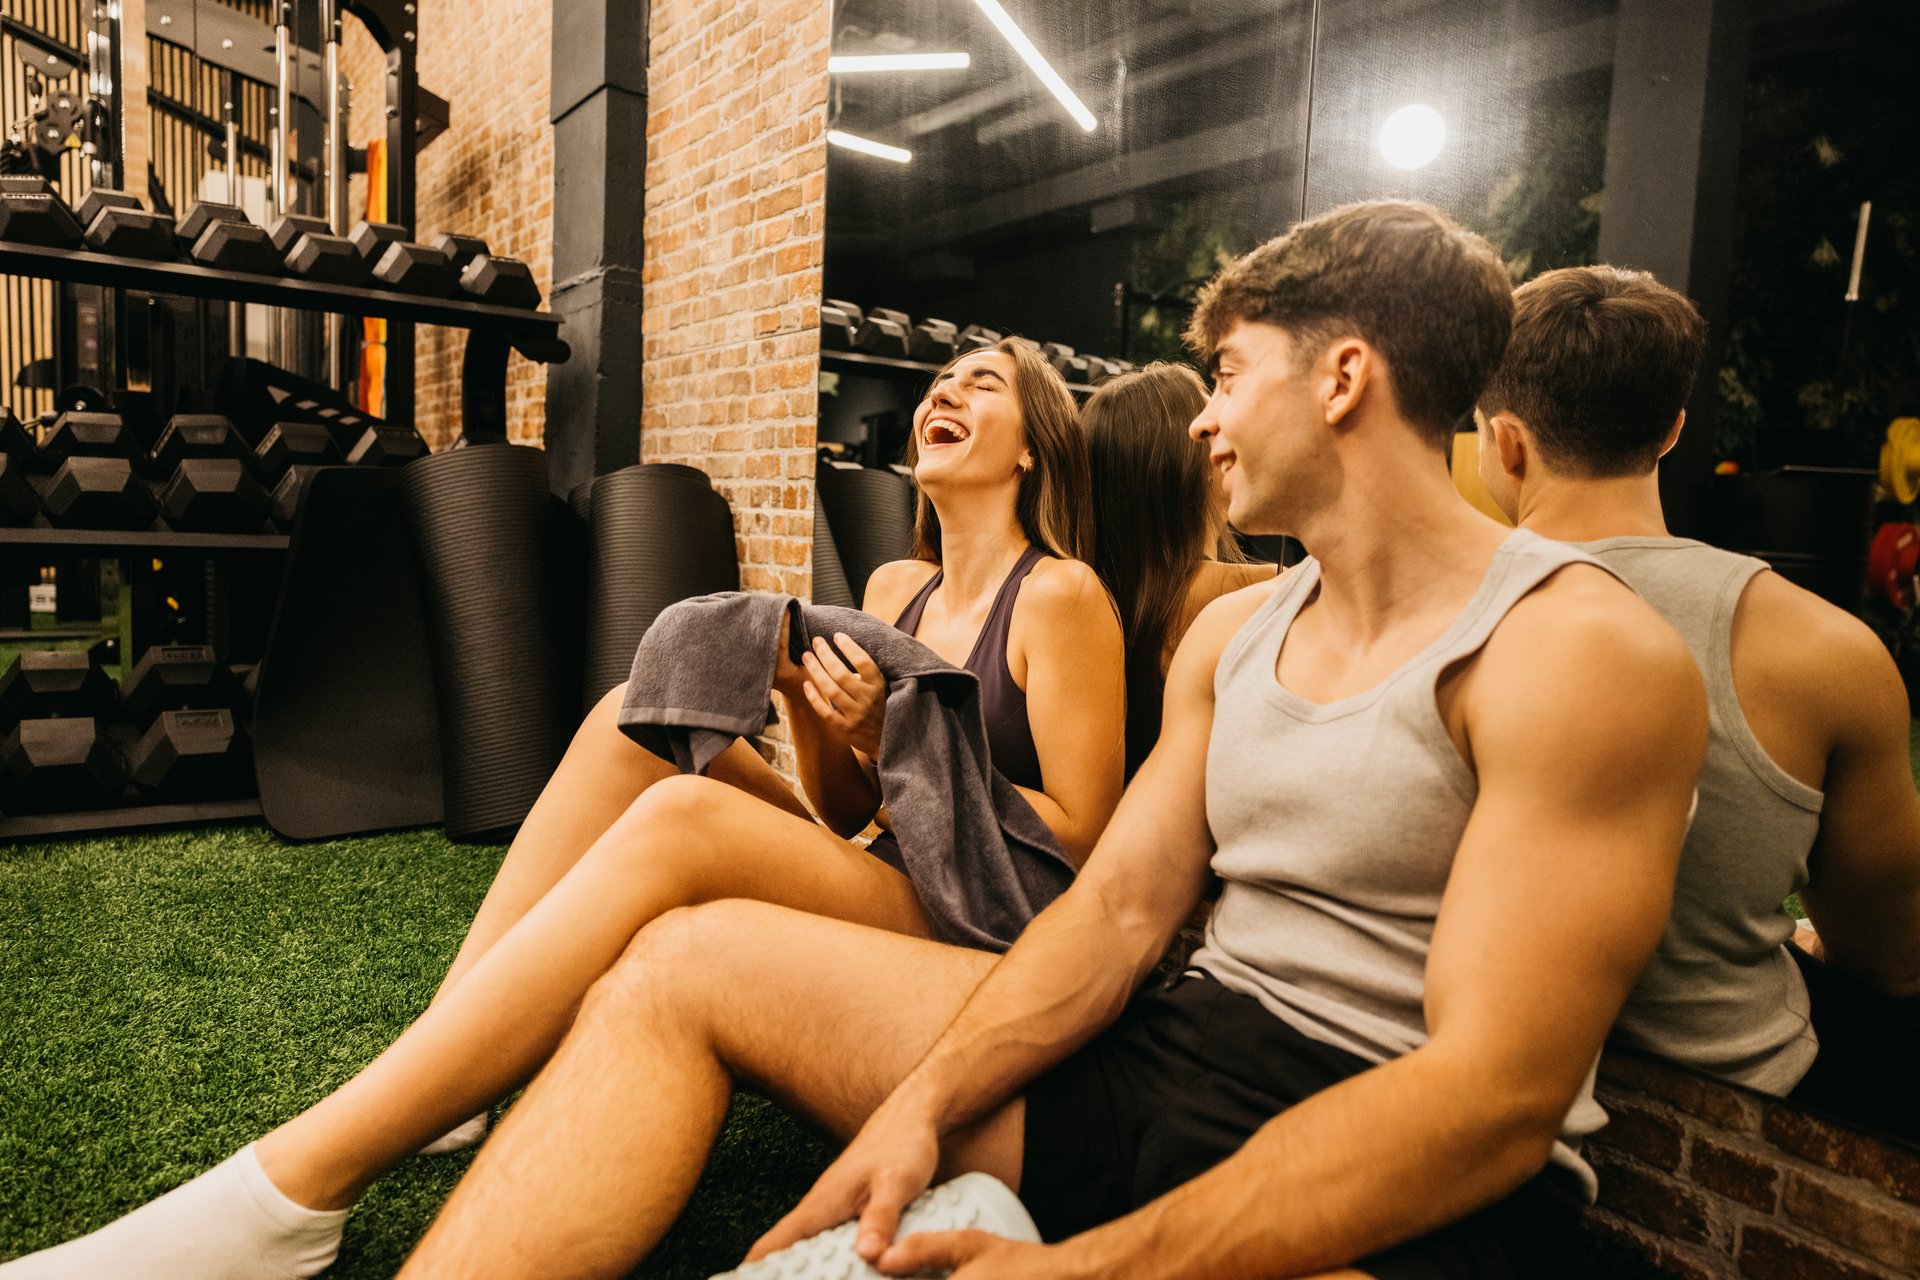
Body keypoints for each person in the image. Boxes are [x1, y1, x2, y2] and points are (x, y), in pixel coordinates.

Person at [376, 199, 1707, 1280]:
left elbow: (1491, 1100)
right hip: (1179, 1056)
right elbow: (1121, 910)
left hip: (1419, 1184)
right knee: (683, 962)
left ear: (1345, 376)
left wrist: (1094, 1268)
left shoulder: (1578, 651)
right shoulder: (1234, 638)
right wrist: (923, 1099)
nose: (1201, 417)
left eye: (1231, 375)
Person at [0, 338, 1128, 1280]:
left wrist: (901, 737)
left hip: (974, 925)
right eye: (943, 379)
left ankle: (304, 1188)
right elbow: (847, 811)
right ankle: (450, 1063)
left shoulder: (1064, 597)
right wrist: (826, 719)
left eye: (984, 384)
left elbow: (1082, 842)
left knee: (685, 820)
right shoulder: (895, 587)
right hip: (890, 864)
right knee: (624, 721)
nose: (945, 391)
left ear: (1033, 445)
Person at [1473, 265, 1920, 1106]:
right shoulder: (1830, 650)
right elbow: (1892, 958)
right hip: (1734, 1085)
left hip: (1476, 1069)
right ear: (1673, 430)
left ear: (1505, 441)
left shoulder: (1423, 610)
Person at [1083, 361, 1277, 777]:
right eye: (1208, 421)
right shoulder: (1247, 590)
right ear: (1182, 466)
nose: (1224, 428)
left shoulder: (1096, 592)